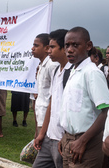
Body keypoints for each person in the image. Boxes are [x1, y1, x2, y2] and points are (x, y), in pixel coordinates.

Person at [58, 27, 109, 167]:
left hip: (87, 143)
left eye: (75, 45)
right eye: (67, 45)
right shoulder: (74, 71)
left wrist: (82, 141)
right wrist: (66, 138)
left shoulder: (92, 73)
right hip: (69, 140)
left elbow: (106, 112)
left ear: (88, 46)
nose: (69, 50)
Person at [33, 29, 71, 168]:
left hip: (61, 137)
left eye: (52, 47)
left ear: (64, 48)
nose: (49, 51)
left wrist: (65, 137)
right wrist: (42, 133)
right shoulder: (57, 70)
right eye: (48, 47)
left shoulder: (72, 73)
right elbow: (52, 102)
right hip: (49, 133)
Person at [31, 33, 58, 137]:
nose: (32, 48)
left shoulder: (52, 65)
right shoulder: (42, 65)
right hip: (41, 115)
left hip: (49, 118)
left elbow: (55, 93)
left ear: (46, 48)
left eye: (36, 46)